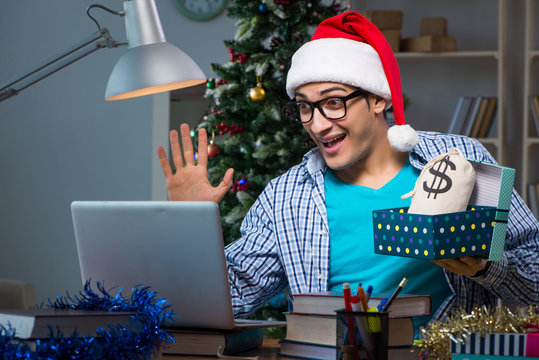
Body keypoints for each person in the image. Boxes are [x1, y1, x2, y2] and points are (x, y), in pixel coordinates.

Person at [157, 11, 539, 332]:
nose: (318, 125)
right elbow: (229, 299)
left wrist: (488, 268)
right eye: (305, 107)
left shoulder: (460, 161)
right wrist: (188, 226)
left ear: (377, 98)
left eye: (334, 103)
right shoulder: (286, 197)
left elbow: (536, 282)